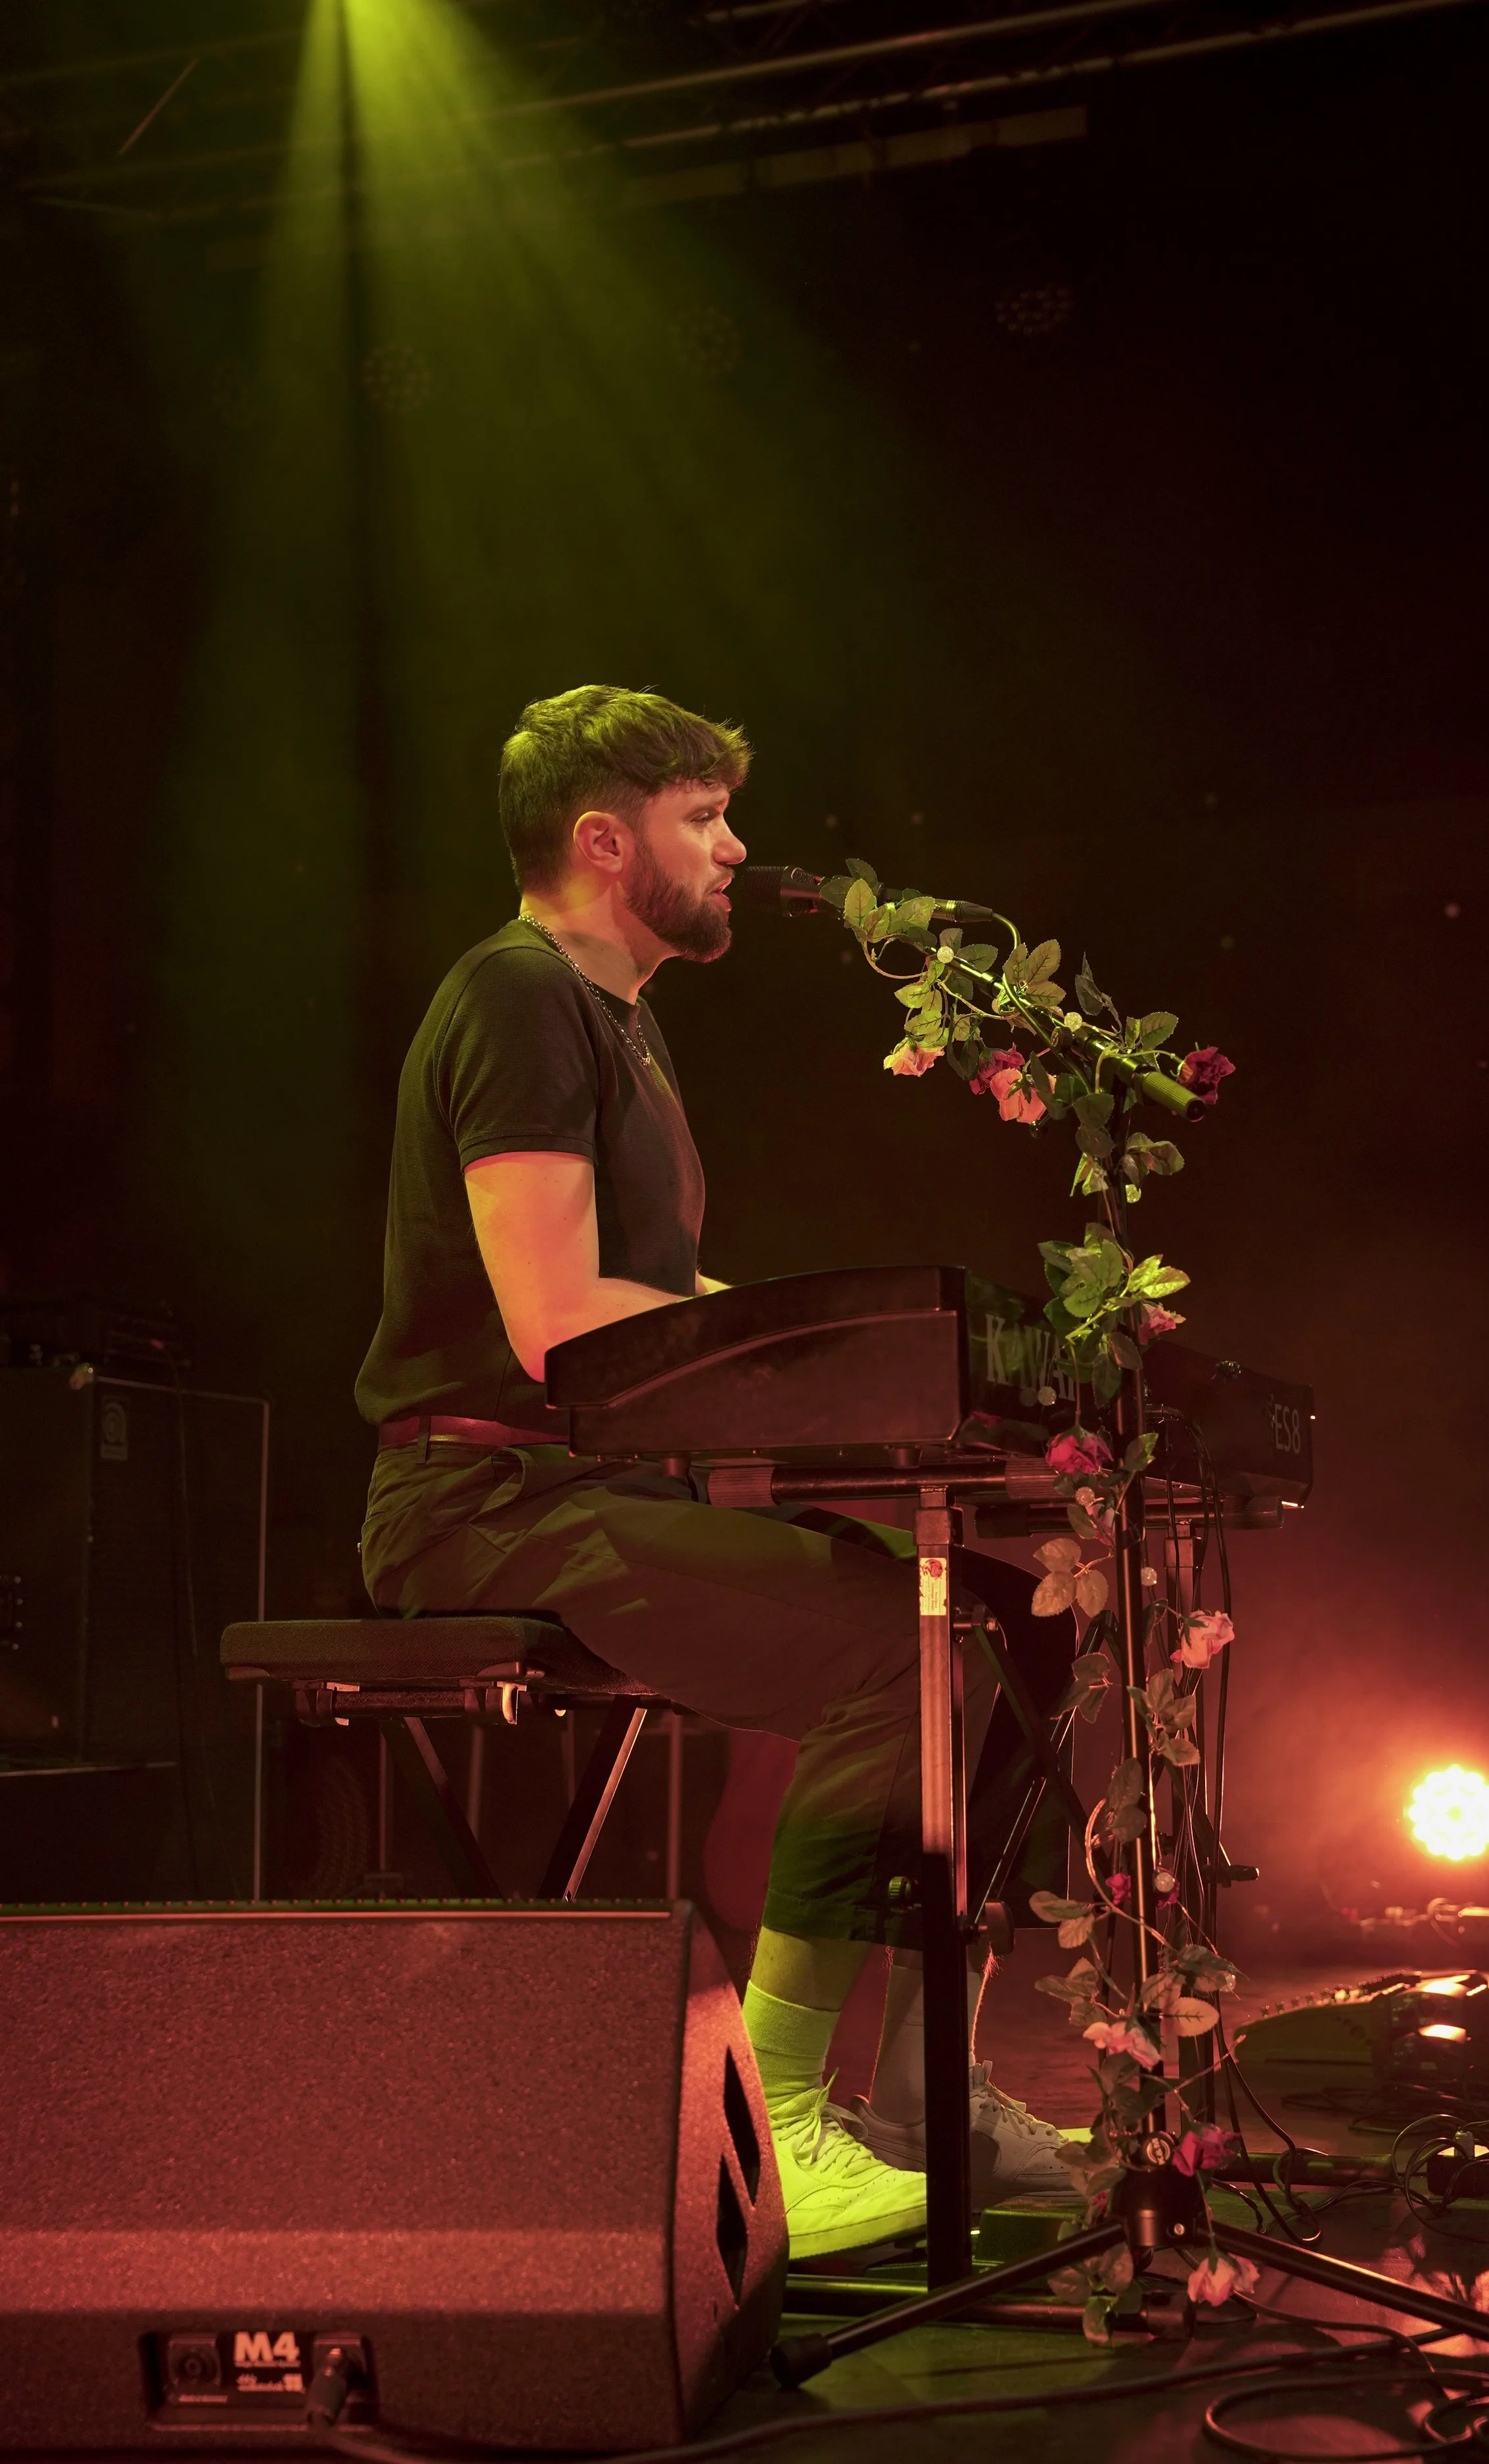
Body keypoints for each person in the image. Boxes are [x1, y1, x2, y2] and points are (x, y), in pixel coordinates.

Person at [355, 684, 1073, 2258]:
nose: (737, 847)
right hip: (484, 1505)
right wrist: (807, 1359)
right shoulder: (519, 998)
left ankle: (908, 2089)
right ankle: (782, 2135)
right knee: (892, 1646)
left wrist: (863, 1377)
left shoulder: (616, 1016)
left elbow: (662, 1317)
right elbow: (558, 1327)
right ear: (606, 842)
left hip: (594, 1491)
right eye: (705, 820)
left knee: (1009, 1618)